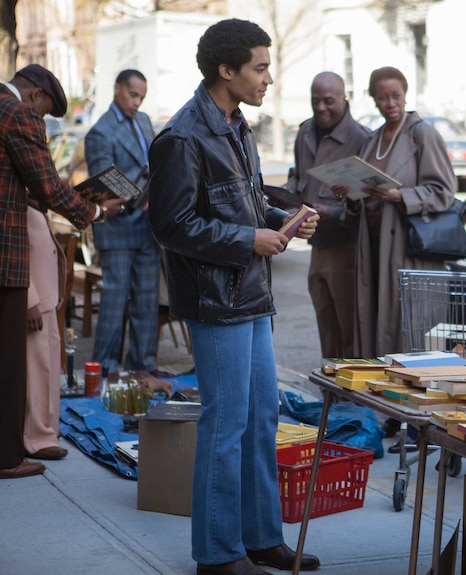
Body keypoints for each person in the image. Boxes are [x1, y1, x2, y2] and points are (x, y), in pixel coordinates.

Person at [147, 19, 321, 574]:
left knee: (260, 419)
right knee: (225, 427)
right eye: (260, 67)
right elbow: (172, 226)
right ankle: (217, 557)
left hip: (251, 297)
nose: (268, 78)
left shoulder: (236, 125)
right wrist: (251, 238)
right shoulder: (180, 137)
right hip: (216, 302)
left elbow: (238, 206)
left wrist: (282, 221)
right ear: (227, 70)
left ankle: (260, 537)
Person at [1, 64, 122, 479]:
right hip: (8, 258)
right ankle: (12, 453)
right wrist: (93, 211)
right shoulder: (17, 115)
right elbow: (47, 183)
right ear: (34, 96)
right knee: (13, 364)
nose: (43, 124)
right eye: (45, 113)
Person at [350, 66, 458, 450]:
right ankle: (390, 414)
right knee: (382, 331)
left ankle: (416, 425)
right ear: (373, 98)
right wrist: (348, 187)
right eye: (382, 97)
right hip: (377, 251)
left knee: (409, 335)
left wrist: (402, 197)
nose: (389, 103)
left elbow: (445, 191)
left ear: (406, 94)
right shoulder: (374, 138)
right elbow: (365, 187)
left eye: (395, 95)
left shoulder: (421, 133)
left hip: (412, 254)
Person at [85, 69, 164, 376]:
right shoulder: (100, 132)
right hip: (118, 227)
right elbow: (105, 183)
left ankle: (143, 366)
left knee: (147, 301)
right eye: (133, 95)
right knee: (114, 304)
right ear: (116, 89)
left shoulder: (144, 121)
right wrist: (137, 193)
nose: (137, 102)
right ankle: (103, 369)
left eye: (141, 97)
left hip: (147, 226)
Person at [287, 72, 370, 358]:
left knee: (347, 325)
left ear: (345, 98)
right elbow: (297, 178)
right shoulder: (306, 131)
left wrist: (332, 212)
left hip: (346, 247)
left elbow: (365, 201)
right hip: (314, 243)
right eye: (315, 100)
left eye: (328, 101)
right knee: (324, 320)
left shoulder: (361, 139)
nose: (321, 107)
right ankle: (330, 390)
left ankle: (347, 394)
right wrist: (282, 199)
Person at [24, 202, 68, 461]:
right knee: (36, 366)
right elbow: (10, 246)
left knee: (49, 363)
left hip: (47, 292)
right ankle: (36, 437)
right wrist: (29, 299)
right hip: (33, 295)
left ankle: (49, 427)